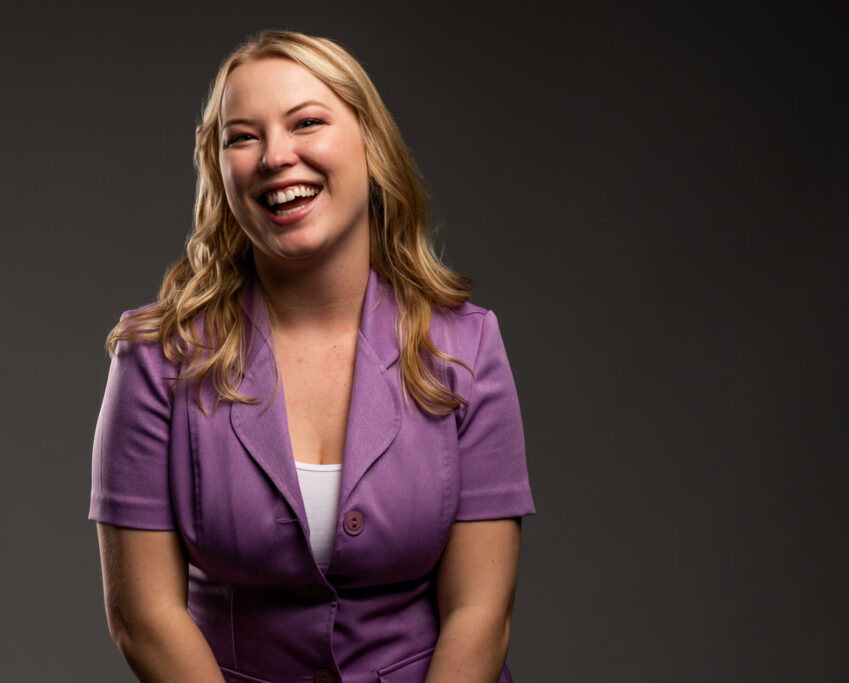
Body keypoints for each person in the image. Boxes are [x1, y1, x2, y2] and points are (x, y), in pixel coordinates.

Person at [89, 30, 534, 683]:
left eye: (307, 123)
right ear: (218, 172)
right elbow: (143, 615)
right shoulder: (155, 360)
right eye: (241, 137)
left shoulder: (467, 346)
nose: (275, 156)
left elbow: (480, 611)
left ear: (370, 146)